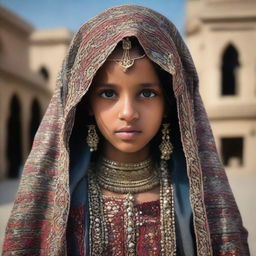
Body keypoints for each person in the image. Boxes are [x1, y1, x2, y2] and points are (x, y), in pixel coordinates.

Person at [2, 4, 249, 256]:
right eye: (108, 94)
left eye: (147, 93)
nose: (128, 113)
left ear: (170, 102)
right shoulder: (58, 203)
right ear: (85, 102)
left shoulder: (198, 200)